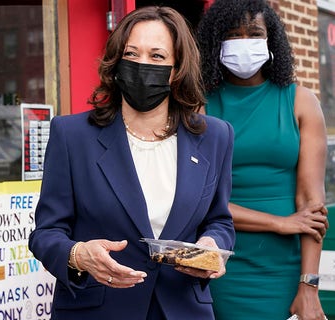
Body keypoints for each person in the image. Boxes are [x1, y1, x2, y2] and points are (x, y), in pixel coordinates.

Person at [28, 6, 235, 319]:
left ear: (178, 68)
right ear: (117, 62)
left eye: (156, 56)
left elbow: (220, 220)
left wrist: (210, 246)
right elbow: (46, 234)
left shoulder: (215, 137)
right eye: (132, 53)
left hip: (182, 309)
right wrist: (79, 255)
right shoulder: (71, 135)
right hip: (97, 309)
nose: (142, 64)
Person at [196, 1, 329, 319]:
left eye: (254, 33)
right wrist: (280, 223)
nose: (244, 43)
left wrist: (309, 286)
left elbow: (312, 206)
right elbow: (201, 200)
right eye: (232, 35)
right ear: (216, 43)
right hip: (222, 264)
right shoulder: (199, 107)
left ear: (271, 41)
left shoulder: (301, 102)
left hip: (285, 268)